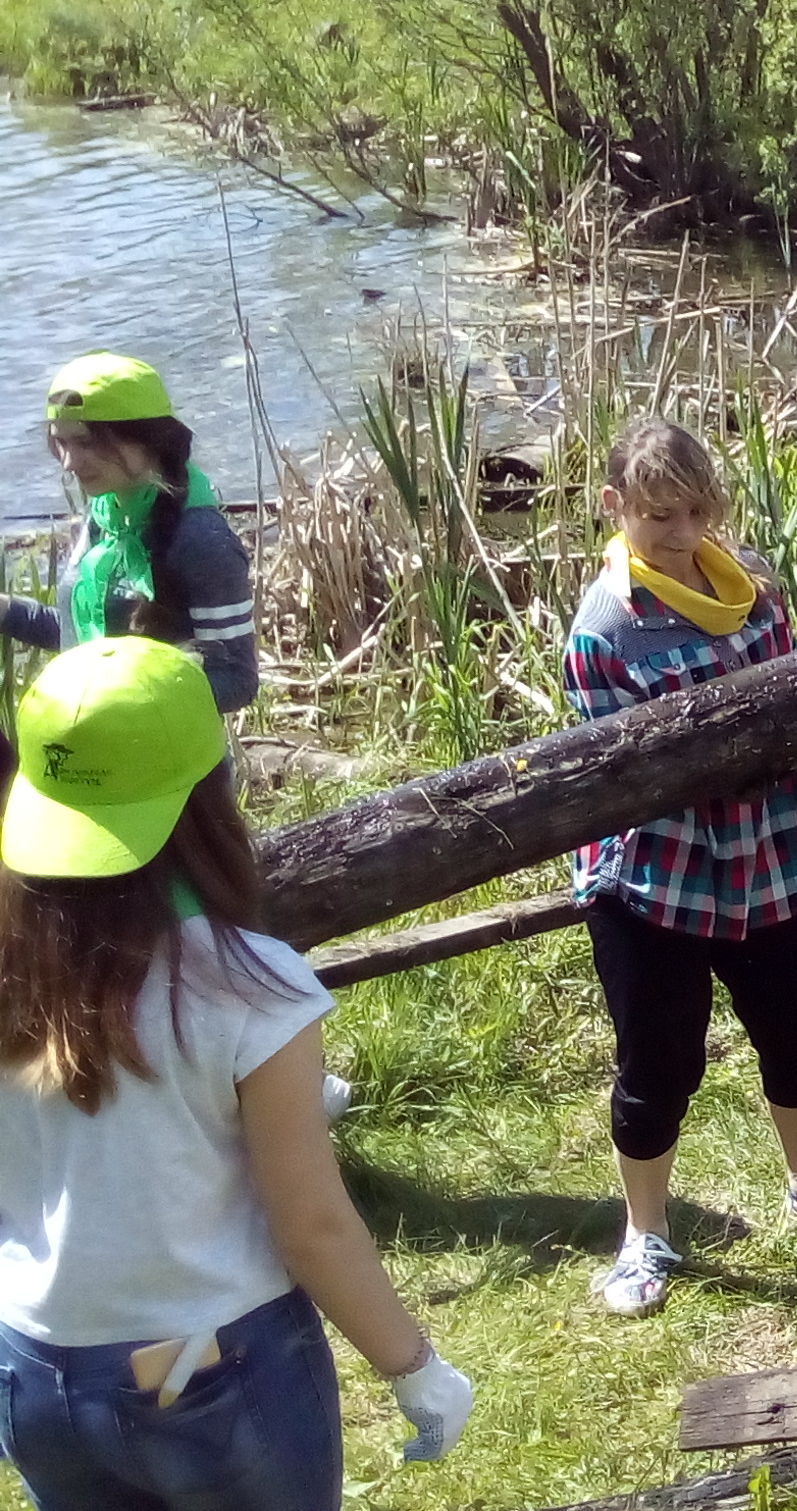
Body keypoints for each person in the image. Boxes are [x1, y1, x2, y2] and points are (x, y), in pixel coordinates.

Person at [0, 637, 471, 1508]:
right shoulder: (248, 985)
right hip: (204, 1368)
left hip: (35, 1367)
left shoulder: (13, 967)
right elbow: (313, 1226)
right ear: (208, 798)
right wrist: (415, 1369)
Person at [562, 419, 797, 1319]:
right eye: (660, 515)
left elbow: (796, 707)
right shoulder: (605, 634)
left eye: (699, 512)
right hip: (655, 874)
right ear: (615, 507)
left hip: (765, 852)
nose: (682, 533)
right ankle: (644, 1235)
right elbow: (622, 777)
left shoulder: (756, 595)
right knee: (659, 1063)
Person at [3, 355, 257, 712]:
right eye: (61, 442)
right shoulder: (106, 516)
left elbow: (237, 680)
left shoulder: (201, 541)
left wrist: (124, 699)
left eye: (86, 443)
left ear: (149, 439)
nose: (69, 462)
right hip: (88, 738)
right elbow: (79, 636)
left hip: (170, 760)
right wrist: (5, 611)